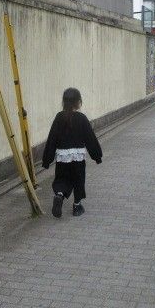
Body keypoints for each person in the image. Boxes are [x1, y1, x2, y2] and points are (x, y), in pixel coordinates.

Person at [42, 88, 102, 218]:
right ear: (79, 102)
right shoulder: (82, 118)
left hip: (62, 157)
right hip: (78, 157)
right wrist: (97, 156)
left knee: (61, 178)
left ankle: (59, 195)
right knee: (78, 180)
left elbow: (52, 138)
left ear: (63, 102)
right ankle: (77, 206)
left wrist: (47, 160)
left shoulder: (59, 117)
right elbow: (90, 139)